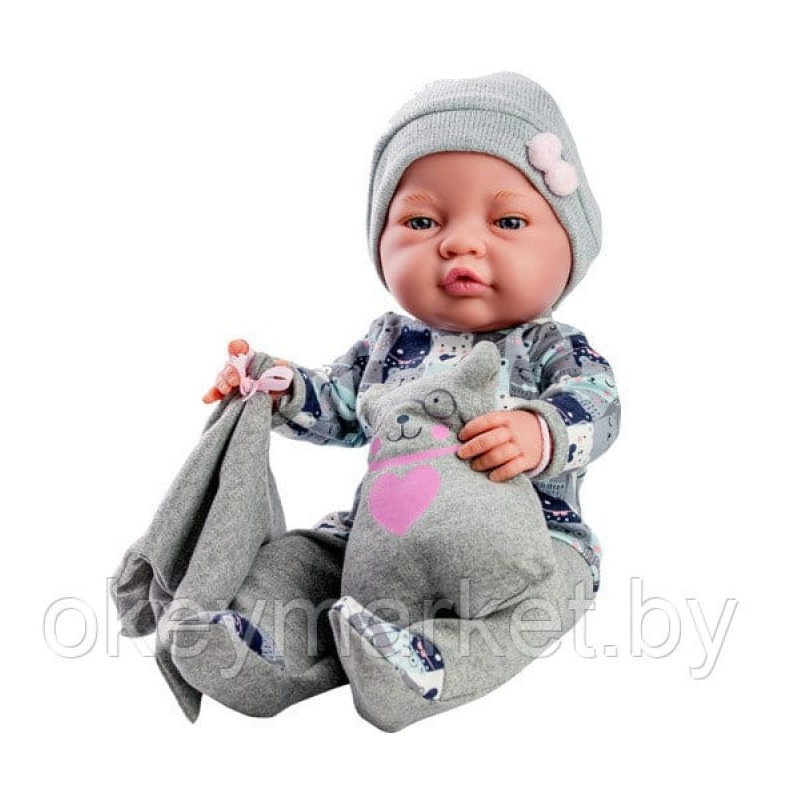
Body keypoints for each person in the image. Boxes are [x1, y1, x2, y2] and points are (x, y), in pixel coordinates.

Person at [179, 71, 621, 732]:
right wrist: (277, 386)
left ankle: (427, 665)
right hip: (383, 531)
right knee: (306, 559)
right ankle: (252, 642)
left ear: (569, 247)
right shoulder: (389, 343)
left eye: (507, 221)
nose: (461, 243)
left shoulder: (546, 346)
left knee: (548, 594)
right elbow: (338, 404)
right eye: (421, 220)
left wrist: (540, 431)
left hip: (534, 534)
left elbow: (599, 403)